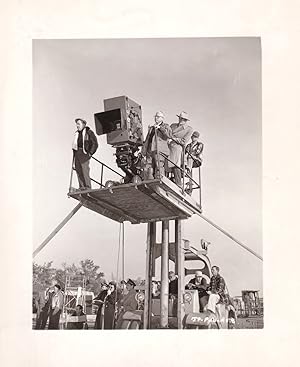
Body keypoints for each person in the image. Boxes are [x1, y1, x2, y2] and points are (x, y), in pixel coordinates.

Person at [142, 111, 172, 179]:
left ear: (162, 118)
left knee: (159, 164)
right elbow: (147, 139)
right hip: (150, 149)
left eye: (158, 117)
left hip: (159, 149)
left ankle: (160, 179)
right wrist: (144, 150)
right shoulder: (152, 128)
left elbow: (169, 135)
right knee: (148, 165)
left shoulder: (166, 126)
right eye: (155, 116)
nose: (156, 118)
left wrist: (160, 128)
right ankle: (149, 179)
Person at [72, 118, 98, 190]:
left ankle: (87, 187)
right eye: (76, 124)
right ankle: (82, 187)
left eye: (78, 124)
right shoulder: (76, 133)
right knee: (78, 170)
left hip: (84, 153)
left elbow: (95, 143)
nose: (77, 126)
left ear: (83, 124)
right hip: (77, 153)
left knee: (84, 170)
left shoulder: (89, 132)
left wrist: (90, 153)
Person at [168, 111, 193, 186]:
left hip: (178, 147)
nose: (181, 120)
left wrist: (173, 138)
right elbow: (167, 134)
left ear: (185, 120)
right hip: (168, 145)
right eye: (180, 118)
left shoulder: (189, 129)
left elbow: (183, 141)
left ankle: (178, 183)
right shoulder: (173, 125)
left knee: (176, 163)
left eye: (183, 119)